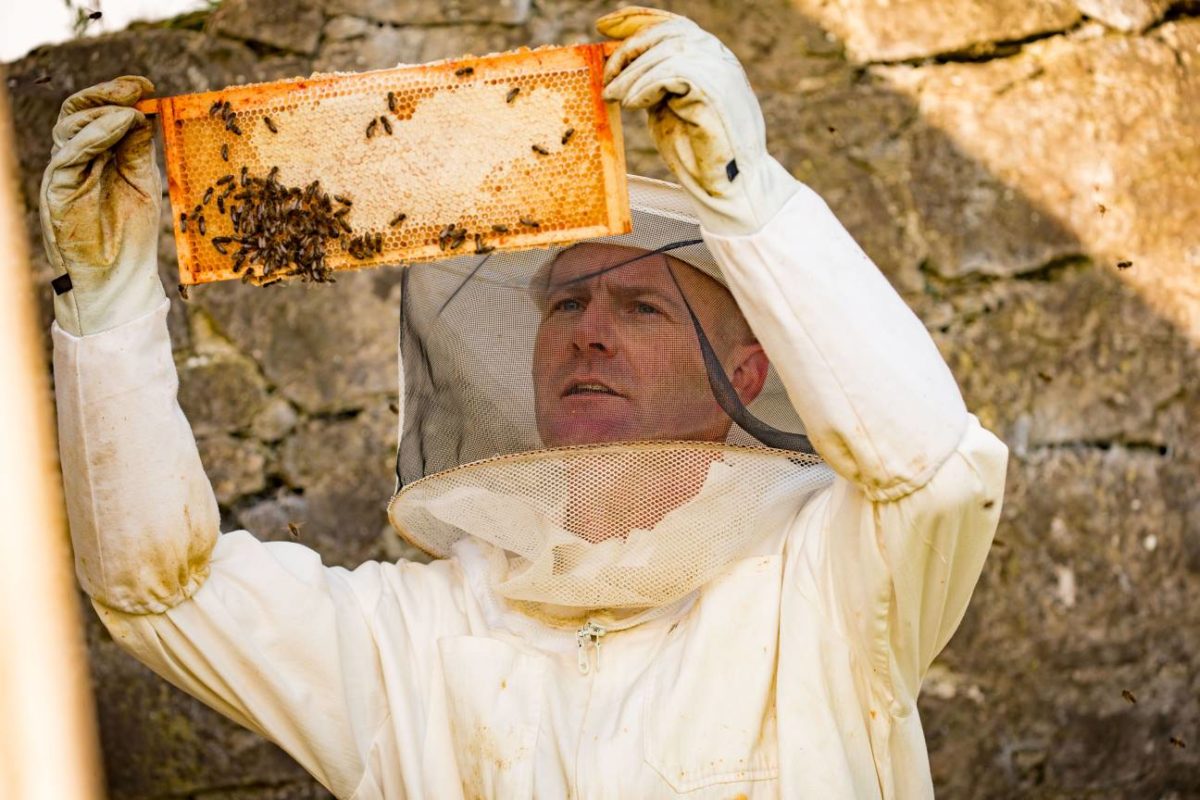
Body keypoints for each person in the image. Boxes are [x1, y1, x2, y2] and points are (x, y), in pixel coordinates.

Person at [43, 6, 1008, 798]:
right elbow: (161, 595)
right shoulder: (418, 634)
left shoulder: (829, 579)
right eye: (568, 301)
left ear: (746, 371)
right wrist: (110, 296)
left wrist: (743, 189)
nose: (589, 330)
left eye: (641, 306)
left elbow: (932, 465)